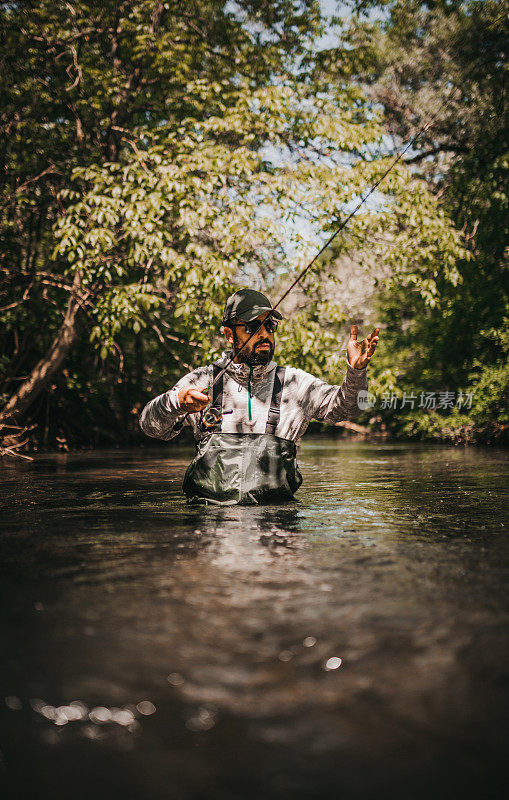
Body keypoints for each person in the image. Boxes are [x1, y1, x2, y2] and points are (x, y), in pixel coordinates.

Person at [139, 288, 379, 505]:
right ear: (230, 335)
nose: (265, 334)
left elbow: (350, 409)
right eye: (253, 327)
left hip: (276, 532)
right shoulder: (202, 381)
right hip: (211, 528)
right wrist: (176, 403)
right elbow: (149, 426)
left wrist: (356, 372)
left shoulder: (295, 384)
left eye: (270, 326)